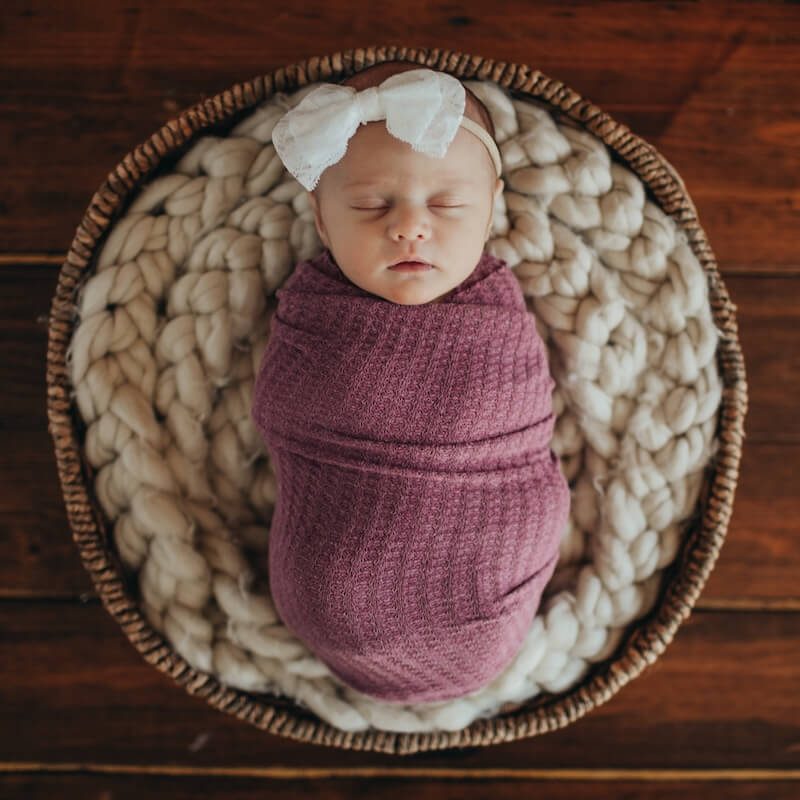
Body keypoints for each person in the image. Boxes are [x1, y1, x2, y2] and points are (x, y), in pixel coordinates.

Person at [250, 62, 571, 705]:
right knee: (336, 585)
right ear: (320, 217)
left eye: (448, 204)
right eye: (370, 205)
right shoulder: (312, 311)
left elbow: (520, 428)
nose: (409, 227)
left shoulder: (495, 315)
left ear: (489, 207)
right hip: (331, 588)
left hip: (489, 560)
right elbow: (283, 410)